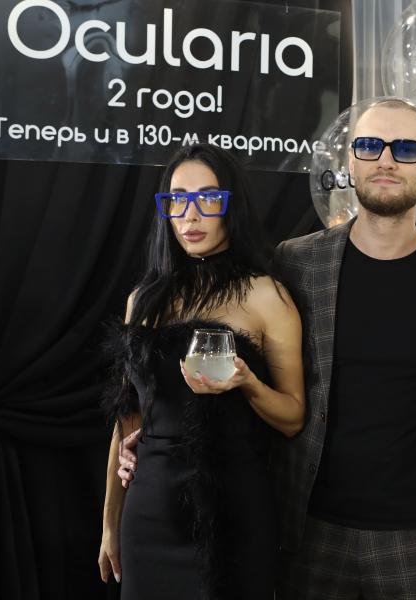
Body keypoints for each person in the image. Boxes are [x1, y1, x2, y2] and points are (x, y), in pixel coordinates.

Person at [121, 99, 416, 597]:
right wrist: (152, 439)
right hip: (311, 531)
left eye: (405, 149)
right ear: (350, 160)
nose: (385, 160)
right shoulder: (297, 263)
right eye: (369, 146)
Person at [98, 143, 305, 599]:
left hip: (234, 514)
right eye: (177, 199)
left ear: (233, 205)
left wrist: (248, 383)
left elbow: (293, 417)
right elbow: (127, 418)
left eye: (208, 198)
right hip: (149, 514)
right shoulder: (143, 299)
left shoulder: (266, 296)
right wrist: (110, 523)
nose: (190, 215)